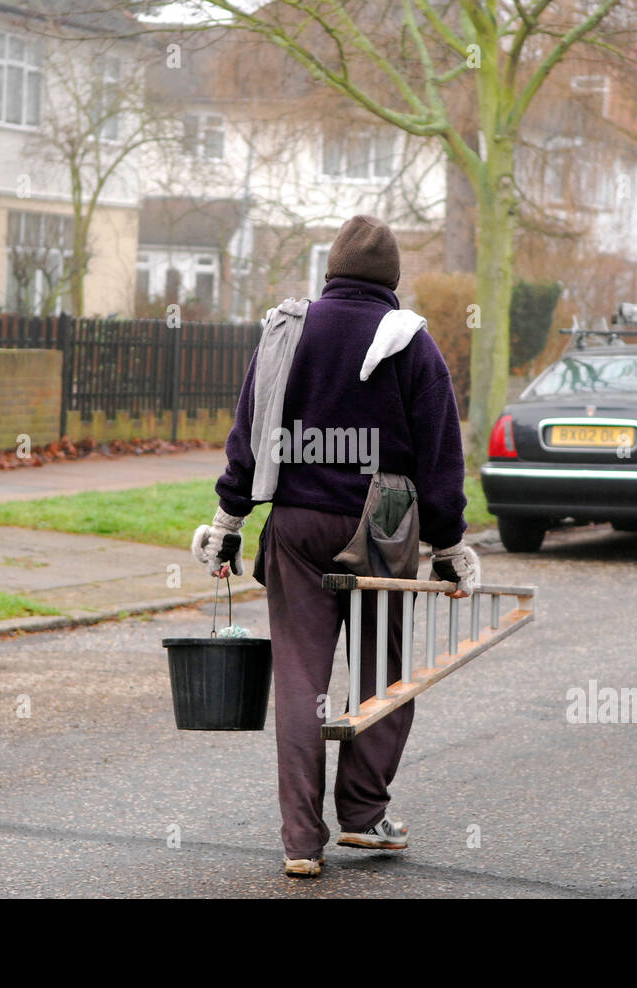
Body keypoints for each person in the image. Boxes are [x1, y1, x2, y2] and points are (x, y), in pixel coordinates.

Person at [191, 214, 479, 878]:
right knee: (383, 672)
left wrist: (229, 521)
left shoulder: (286, 333)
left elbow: (251, 435)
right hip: (383, 522)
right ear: (392, 281)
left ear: (330, 270)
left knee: (299, 679)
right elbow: (440, 456)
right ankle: (364, 814)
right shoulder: (410, 342)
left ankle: (300, 842)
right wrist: (448, 544)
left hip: (295, 521)